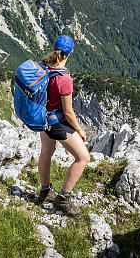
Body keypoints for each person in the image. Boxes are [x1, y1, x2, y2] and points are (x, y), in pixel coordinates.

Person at [35, 34, 90, 217]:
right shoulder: (64, 79)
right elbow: (68, 112)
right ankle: (62, 199)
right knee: (83, 158)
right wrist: (80, 130)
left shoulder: (44, 65)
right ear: (70, 53)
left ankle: (44, 191)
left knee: (46, 153)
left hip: (43, 119)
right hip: (56, 122)